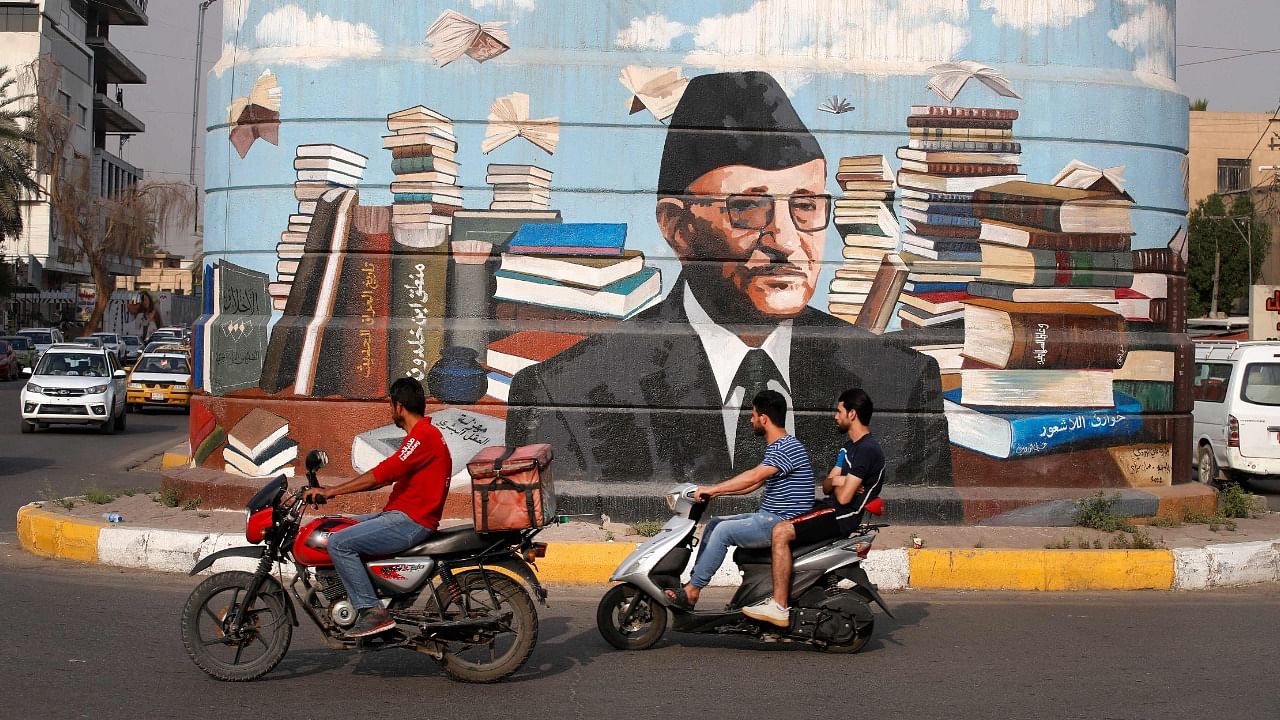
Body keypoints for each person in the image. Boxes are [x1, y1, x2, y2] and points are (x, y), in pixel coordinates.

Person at [507, 70, 950, 489]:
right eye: (748, 207)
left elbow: (925, 553)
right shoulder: (568, 397)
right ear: (678, 229)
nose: (787, 241)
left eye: (807, 206)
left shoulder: (900, 383)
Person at [301, 377, 452, 638]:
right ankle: (364, 594)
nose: (391, 411)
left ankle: (372, 611)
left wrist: (332, 491)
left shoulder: (422, 437)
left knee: (338, 543)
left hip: (410, 521)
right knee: (339, 524)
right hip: (401, 515)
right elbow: (384, 475)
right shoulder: (422, 436)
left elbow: (382, 474)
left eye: (391, 406)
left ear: (399, 406)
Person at [742, 388, 885, 627]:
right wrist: (841, 481)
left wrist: (841, 482)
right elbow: (828, 484)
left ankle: (779, 606)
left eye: (839, 411)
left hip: (842, 516)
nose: (835, 416)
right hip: (830, 507)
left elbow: (844, 497)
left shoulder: (867, 450)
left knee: (781, 531)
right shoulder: (848, 448)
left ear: (852, 414)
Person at [663, 390, 815, 610]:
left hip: (780, 522)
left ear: (764, 418)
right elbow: (754, 484)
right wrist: (715, 494)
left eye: (753, 414)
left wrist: (712, 489)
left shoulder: (786, 447)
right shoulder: (781, 447)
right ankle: (692, 585)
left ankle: (693, 591)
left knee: (723, 532)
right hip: (770, 518)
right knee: (715, 524)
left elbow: (754, 476)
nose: (750, 419)